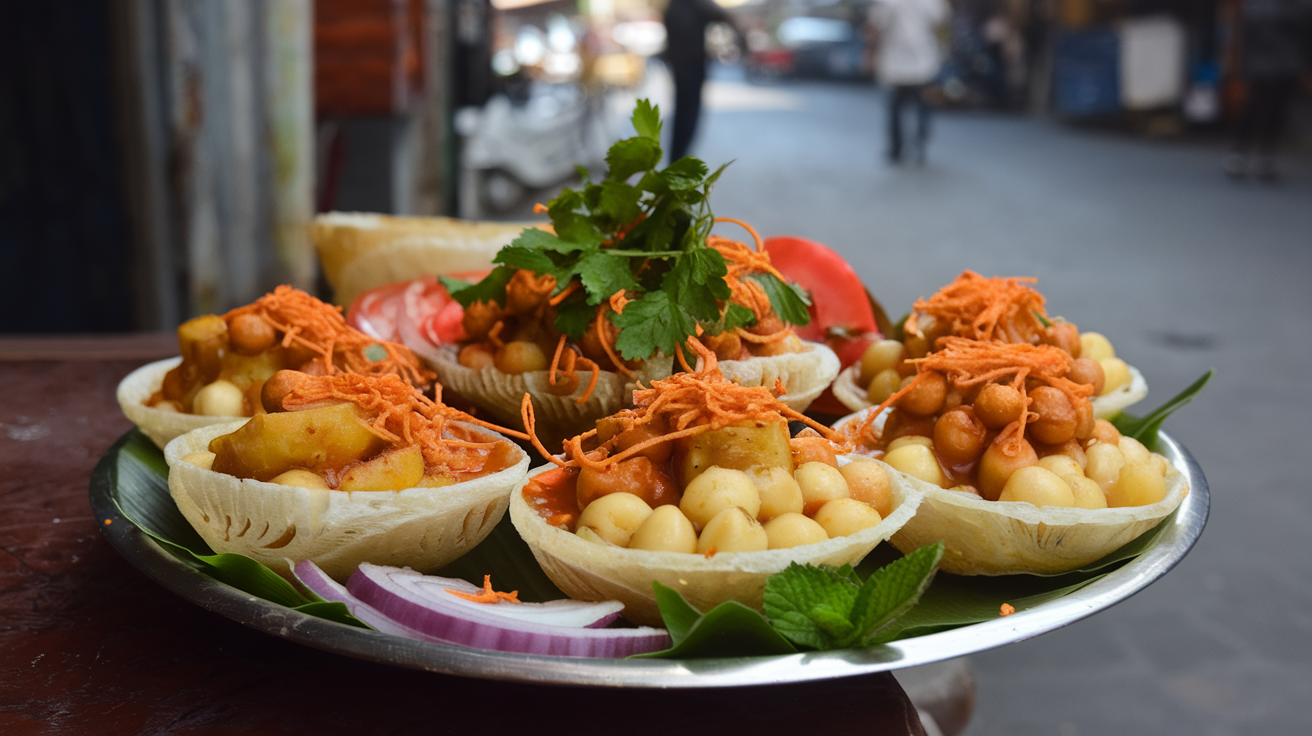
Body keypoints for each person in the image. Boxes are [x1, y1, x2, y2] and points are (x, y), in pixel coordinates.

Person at [1226, 0, 1312, 180]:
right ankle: (1248, 154)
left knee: (1270, 111)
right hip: (1272, 66)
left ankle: (1254, 155)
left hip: (1278, 66)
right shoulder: (1260, 8)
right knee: (1262, 110)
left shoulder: (1258, 8)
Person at [869, 0, 949, 164]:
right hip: (919, 58)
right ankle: (920, 141)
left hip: (900, 59)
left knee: (897, 106)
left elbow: (877, 21)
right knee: (922, 103)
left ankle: (898, 149)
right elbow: (940, 18)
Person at [663, 0, 732, 162]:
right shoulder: (692, 4)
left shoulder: (675, 6)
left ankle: (678, 158)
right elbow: (722, 15)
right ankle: (679, 159)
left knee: (684, 113)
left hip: (682, 64)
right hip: (690, 65)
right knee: (688, 114)